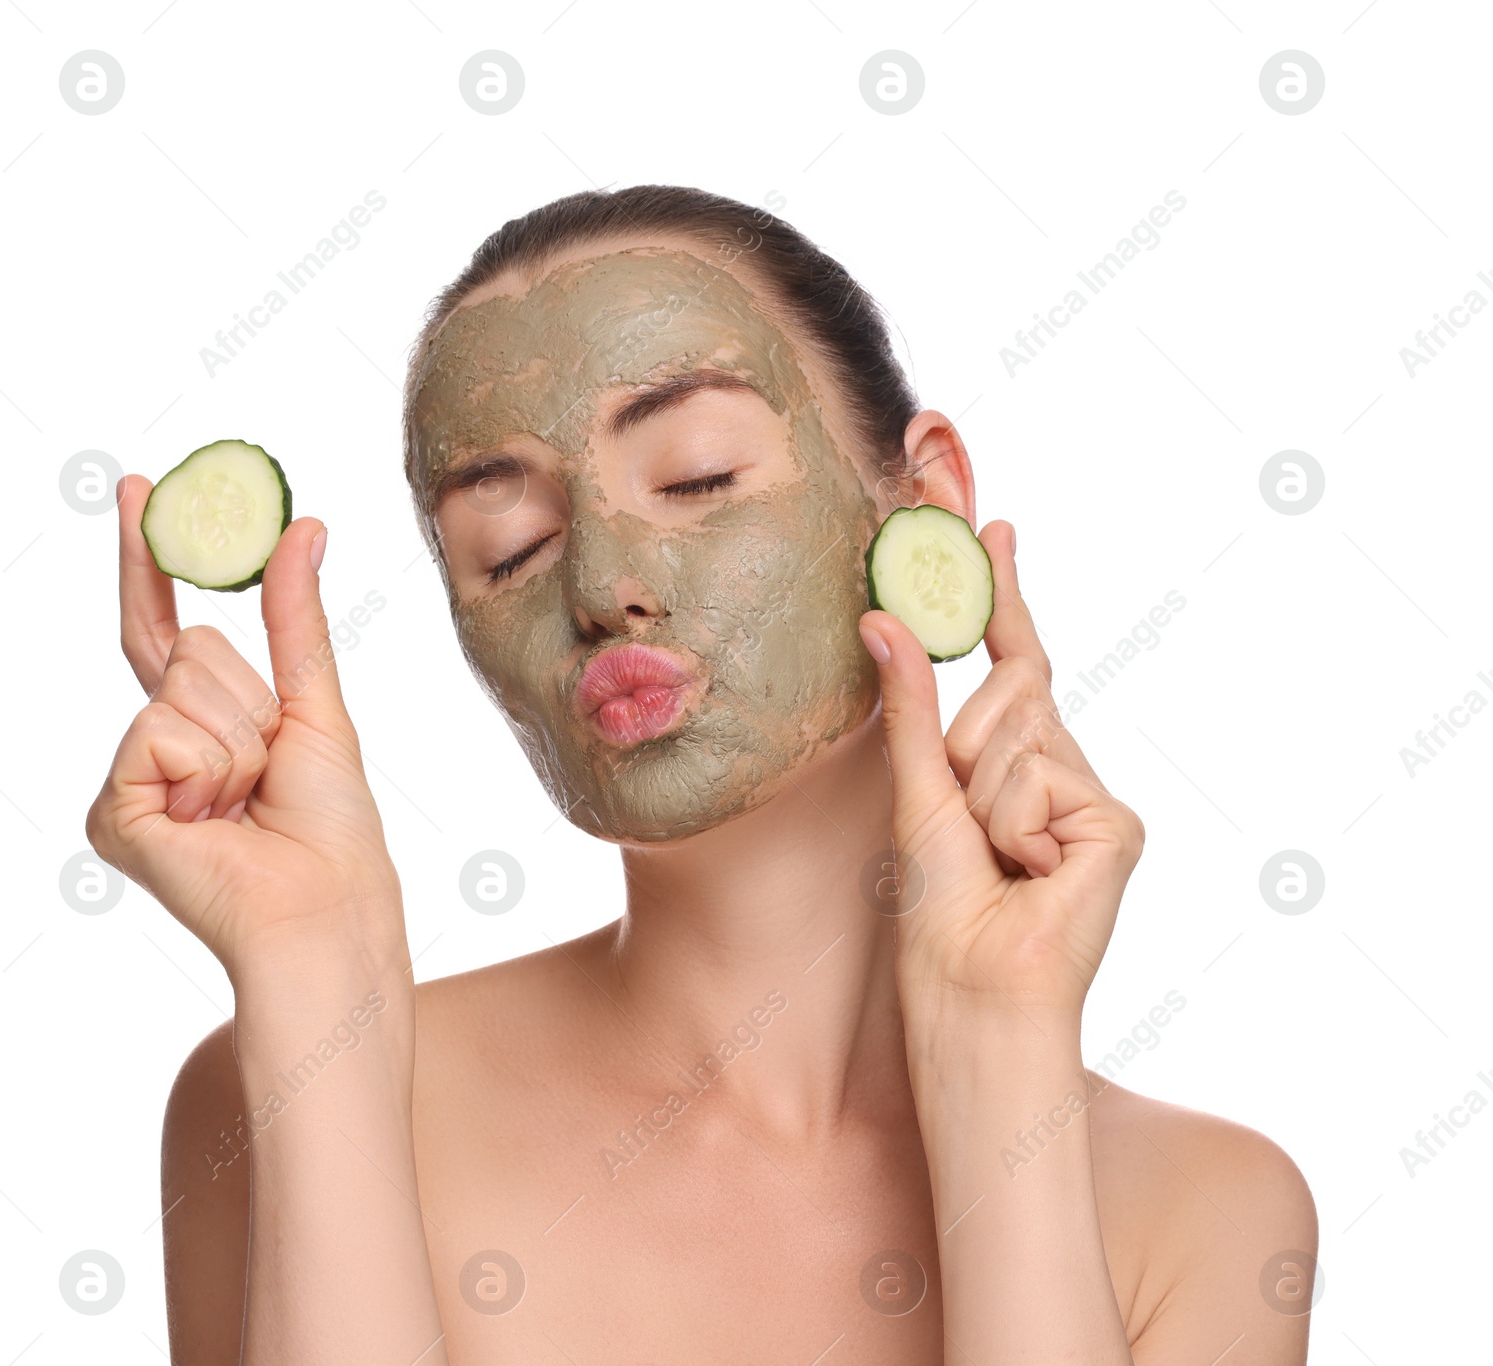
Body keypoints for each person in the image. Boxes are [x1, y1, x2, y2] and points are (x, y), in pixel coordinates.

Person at [88, 184, 1317, 1365]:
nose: (603, 583)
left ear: (923, 496)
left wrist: (1002, 1055)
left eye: (697, 479)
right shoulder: (310, 1079)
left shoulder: (1203, 1213)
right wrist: (316, 968)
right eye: (507, 547)